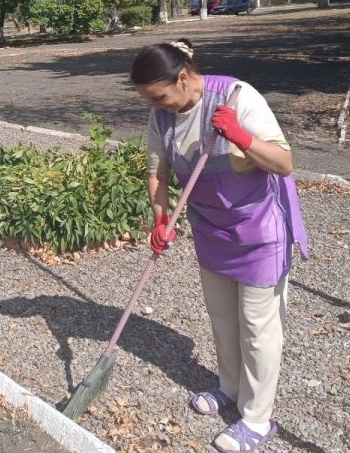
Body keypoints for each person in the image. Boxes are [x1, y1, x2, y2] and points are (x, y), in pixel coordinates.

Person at [130, 39, 307, 453]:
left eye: (161, 95)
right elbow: (157, 169)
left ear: (185, 77)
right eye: (150, 100)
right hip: (211, 228)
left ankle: (258, 419)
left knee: (257, 329)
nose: (158, 105)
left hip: (260, 230)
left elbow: (284, 163)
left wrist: (241, 137)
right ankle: (229, 386)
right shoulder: (161, 114)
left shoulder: (237, 97)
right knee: (223, 319)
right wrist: (160, 218)